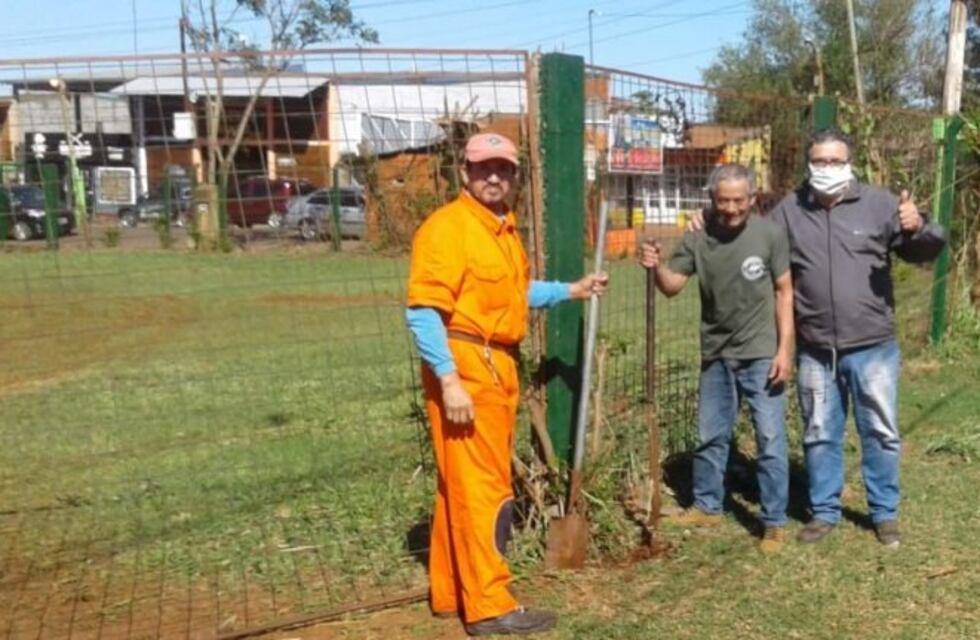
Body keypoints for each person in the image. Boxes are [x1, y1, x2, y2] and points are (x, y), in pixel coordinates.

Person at [687, 130, 946, 547]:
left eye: (834, 161)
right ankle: (824, 510)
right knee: (820, 430)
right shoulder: (790, 210)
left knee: (880, 431)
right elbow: (745, 227)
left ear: (849, 162)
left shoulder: (881, 204)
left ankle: (884, 513)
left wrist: (922, 226)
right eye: (819, 162)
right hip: (815, 348)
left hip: (872, 344)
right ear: (809, 165)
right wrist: (706, 217)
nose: (826, 169)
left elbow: (924, 252)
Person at [405, 132, 608, 636]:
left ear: (516, 176)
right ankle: (490, 604)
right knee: (485, 488)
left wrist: (571, 290)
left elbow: (515, 293)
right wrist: (450, 380)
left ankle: (453, 591)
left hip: (494, 364)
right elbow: (424, 311)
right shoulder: (448, 228)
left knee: (461, 485)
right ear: (463, 173)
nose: (493, 176)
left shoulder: (498, 228)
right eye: (482, 168)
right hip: (468, 365)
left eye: (503, 168)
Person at [640, 163, 794, 553]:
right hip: (716, 354)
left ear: (752, 199)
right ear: (712, 200)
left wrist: (784, 349)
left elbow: (784, 292)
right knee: (711, 435)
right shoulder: (698, 237)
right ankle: (708, 505)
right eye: (723, 201)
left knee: (771, 439)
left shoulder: (770, 235)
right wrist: (656, 266)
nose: (730, 209)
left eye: (738, 201)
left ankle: (773, 521)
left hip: (760, 354)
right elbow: (673, 286)